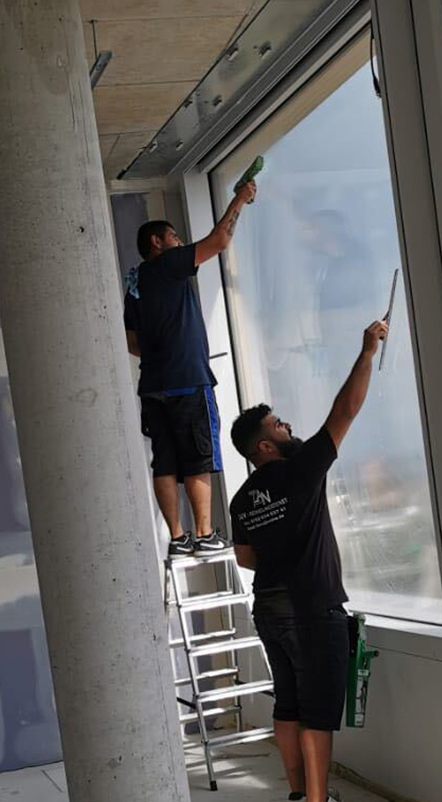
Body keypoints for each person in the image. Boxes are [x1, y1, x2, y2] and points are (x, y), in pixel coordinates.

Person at [229, 317, 389, 802]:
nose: (288, 426)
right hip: (312, 610)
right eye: (278, 425)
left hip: (270, 610)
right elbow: (345, 411)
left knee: (289, 702)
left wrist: (281, 556)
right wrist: (367, 353)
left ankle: (299, 794)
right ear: (263, 447)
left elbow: (246, 558)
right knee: (318, 710)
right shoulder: (300, 471)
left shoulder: (241, 499)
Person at [124, 179, 257, 558]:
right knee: (198, 456)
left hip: (154, 385)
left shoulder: (135, 282)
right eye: (173, 236)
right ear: (156, 243)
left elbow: (131, 340)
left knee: (165, 462)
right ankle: (204, 534)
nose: (179, 242)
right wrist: (239, 199)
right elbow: (218, 242)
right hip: (187, 380)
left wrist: (159, 357)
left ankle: (179, 538)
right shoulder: (167, 264)